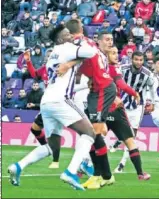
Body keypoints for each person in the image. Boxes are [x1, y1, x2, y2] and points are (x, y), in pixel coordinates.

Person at [8, 25, 98, 190]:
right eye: (66, 34)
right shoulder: (67, 48)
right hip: (60, 99)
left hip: (46, 102)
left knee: (52, 146)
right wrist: (74, 59)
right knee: (89, 133)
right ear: (60, 39)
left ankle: (18, 166)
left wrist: (71, 63)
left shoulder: (54, 53)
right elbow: (92, 52)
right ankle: (71, 172)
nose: (70, 35)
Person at [60, 20, 117, 189]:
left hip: (103, 89)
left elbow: (85, 58)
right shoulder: (89, 43)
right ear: (82, 29)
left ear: (70, 34)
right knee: (93, 132)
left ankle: (97, 173)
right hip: (98, 89)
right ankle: (102, 174)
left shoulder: (78, 44)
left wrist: (67, 65)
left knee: (94, 132)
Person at [105, 46, 151, 181]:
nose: (116, 56)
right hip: (114, 107)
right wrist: (134, 93)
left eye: (116, 53)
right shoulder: (116, 69)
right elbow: (122, 85)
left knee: (95, 139)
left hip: (108, 107)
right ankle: (140, 173)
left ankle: (83, 167)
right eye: (113, 53)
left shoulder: (101, 68)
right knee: (130, 141)